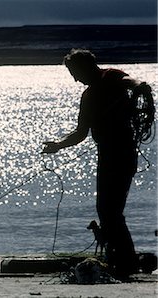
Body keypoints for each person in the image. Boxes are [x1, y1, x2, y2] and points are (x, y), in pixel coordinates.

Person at [42, 49, 154, 279]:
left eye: (75, 72)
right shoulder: (88, 96)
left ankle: (125, 261)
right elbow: (81, 132)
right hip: (106, 154)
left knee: (110, 211)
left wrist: (140, 85)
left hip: (122, 153)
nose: (75, 78)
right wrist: (58, 145)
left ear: (86, 66)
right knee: (107, 210)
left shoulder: (111, 76)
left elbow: (132, 82)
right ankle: (123, 259)